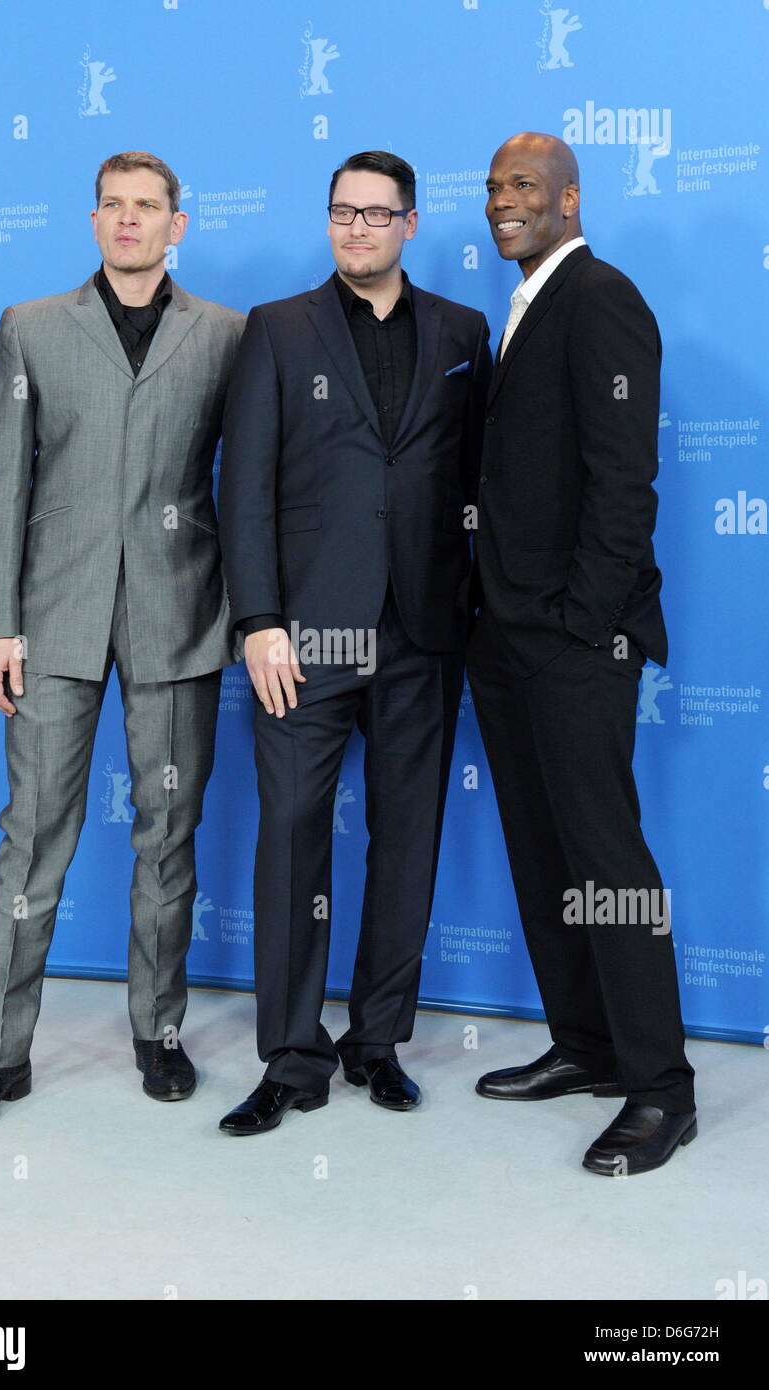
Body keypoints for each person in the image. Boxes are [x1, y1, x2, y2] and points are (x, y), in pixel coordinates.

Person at [0, 151, 245, 1134]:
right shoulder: (29, 329)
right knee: (32, 839)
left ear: (177, 225)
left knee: (168, 836)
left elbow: (247, 485)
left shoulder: (227, 337)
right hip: (53, 621)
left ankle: (157, 1031)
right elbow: (0, 489)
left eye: (146, 207)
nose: (128, 221)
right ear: (92, 219)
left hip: (178, 618)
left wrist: (247, 610)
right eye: (112, 206)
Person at [217, 150, 491, 1135]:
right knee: (292, 839)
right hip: (303, 638)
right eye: (343, 213)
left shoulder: (464, 332)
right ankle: (292, 1059)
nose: (358, 229)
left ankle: (376, 1042)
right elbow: (242, 482)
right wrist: (256, 620)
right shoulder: (277, 330)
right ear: (328, 221)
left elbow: (475, 481)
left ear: (410, 224)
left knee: (406, 838)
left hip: (421, 633)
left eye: (377, 215)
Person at [466, 131, 696, 1176]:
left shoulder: (600, 295)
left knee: (606, 863)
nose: (502, 201)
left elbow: (623, 480)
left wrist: (580, 618)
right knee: (542, 853)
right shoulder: (520, 307)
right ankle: (588, 1044)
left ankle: (660, 1089)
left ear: (567, 198)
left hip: (571, 637)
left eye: (522, 185)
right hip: (505, 634)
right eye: (493, 187)